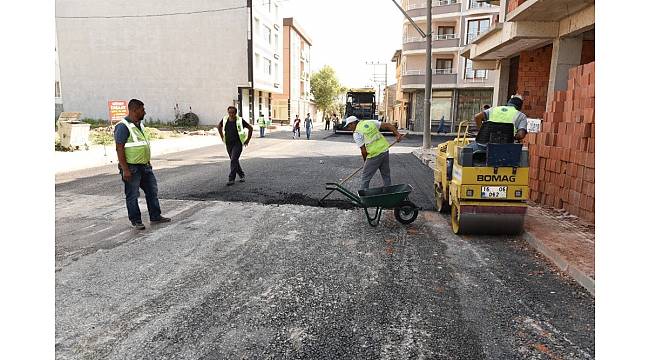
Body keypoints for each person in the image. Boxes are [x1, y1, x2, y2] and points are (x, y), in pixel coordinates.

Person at [113, 99, 171, 230]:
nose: (145, 112)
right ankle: (136, 220)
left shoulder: (140, 125)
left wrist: (148, 162)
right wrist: (125, 169)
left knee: (152, 191)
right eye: (142, 110)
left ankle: (155, 216)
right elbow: (119, 148)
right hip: (131, 168)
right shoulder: (123, 126)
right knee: (132, 195)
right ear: (134, 110)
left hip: (144, 166)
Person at [343, 115, 403, 190]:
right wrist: (397, 134)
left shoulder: (357, 133)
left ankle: (364, 197)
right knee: (386, 175)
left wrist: (365, 162)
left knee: (365, 177)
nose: (349, 129)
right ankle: (389, 193)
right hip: (384, 150)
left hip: (374, 155)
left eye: (349, 126)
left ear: (353, 123)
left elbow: (363, 151)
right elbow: (388, 125)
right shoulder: (369, 122)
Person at [217, 106, 254, 186]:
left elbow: (250, 128)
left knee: (233, 160)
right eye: (229, 112)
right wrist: (222, 136)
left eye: (233, 113)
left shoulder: (240, 120)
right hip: (228, 143)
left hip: (238, 143)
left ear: (236, 113)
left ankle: (231, 179)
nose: (231, 114)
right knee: (234, 160)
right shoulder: (225, 119)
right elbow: (219, 127)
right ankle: (241, 174)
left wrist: (248, 139)